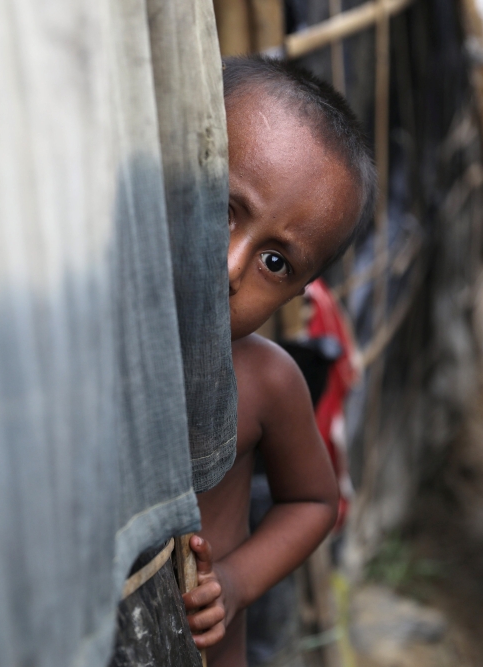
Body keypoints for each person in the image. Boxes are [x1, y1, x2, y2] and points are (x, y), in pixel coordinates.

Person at [182, 55, 376, 667]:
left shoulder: (266, 381)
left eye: (275, 263)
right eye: (220, 207)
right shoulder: (79, 340)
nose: (230, 266)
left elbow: (314, 503)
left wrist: (235, 584)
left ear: (297, 295)